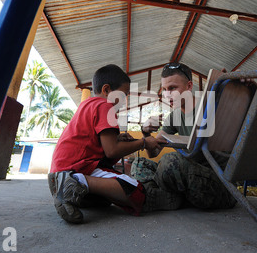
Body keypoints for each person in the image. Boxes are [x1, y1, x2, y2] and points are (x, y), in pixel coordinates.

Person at [48, 64, 183, 224]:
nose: (125, 101)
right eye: (124, 95)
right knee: (135, 188)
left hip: (61, 168)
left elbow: (99, 144)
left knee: (105, 200)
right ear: (107, 90)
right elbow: (111, 151)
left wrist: (119, 139)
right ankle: (75, 182)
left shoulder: (87, 105)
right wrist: (144, 142)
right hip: (78, 168)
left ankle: (72, 189)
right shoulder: (105, 106)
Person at [130, 62, 252, 209]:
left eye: (173, 88)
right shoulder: (174, 117)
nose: (168, 94)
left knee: (170, 162)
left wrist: (243, 85)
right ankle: (171, 198)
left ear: (188, 86)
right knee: (139, 164)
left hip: (219, 185)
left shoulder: (211, 104)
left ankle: (162, 196)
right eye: (165, 89)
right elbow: (153, 152)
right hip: (189, 177)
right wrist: (146, 132)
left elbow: (246, 106)